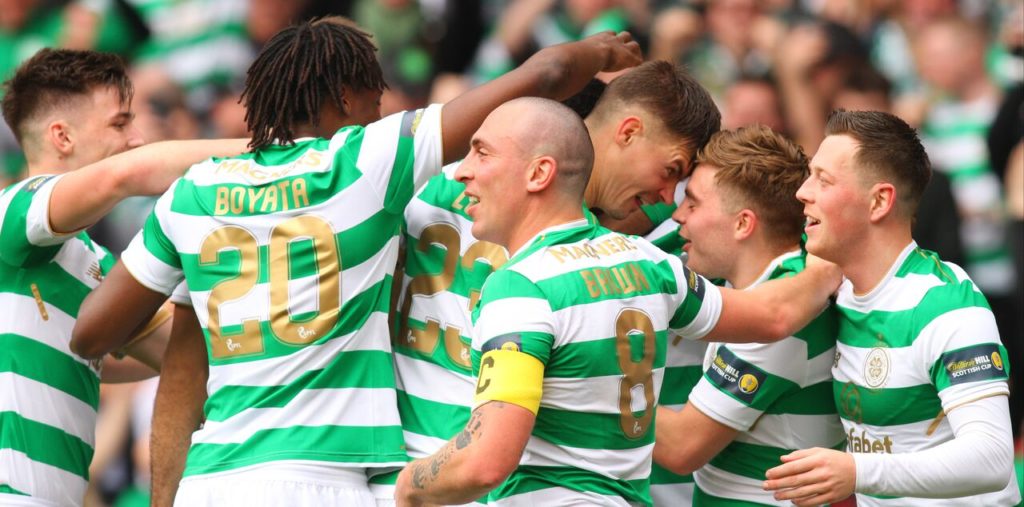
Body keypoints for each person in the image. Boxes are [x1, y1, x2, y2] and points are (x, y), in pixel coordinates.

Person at [70, 16, 642, 506]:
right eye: (375, 100)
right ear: (346, 99)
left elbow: (93, 333)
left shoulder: (192, 193)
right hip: (326, 479)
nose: (380, 112)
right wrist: (602, 51)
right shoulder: (365, 161)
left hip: (212, 481)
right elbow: (544, 74)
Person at [394, 97, 842, 507]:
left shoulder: (520, 288)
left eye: (482, 153)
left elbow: (485, 463)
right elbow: (771, 315)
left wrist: (410, 485)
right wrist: (827, 267)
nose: (462, 171)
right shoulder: (650, 263)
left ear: (539, 173)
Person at [387, 61, 720, 505]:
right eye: (671, 170)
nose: (667, 197)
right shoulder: (625, 253)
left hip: (432, 472)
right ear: (628, 131)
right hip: (459, 475)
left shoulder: (428, 179)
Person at [0, 48, 247, 506]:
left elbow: (186, 354)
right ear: (62, 136)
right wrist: (284, 154)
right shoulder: (14, 209)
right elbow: (127, 174)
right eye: (119, 124)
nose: (136, 139)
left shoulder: (93, 261)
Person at [763, 110, 1020, 506]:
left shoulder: (945, 303)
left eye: (823, 180)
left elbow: (992, 459)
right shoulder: (835, 290)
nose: (803, 192)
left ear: (879, 201)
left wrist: (858, 472)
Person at [653, 126, 845, 506]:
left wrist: (583, 380)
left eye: (692, 203)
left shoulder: (786, 323)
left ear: (743, 224)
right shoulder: (783, 274)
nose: (677, 216)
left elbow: (681, 448)